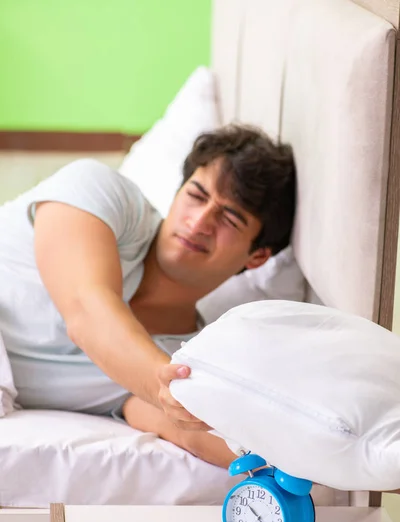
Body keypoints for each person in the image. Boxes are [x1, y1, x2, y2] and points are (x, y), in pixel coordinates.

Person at [0, 124, 296, 469]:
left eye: (230, 218)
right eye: (197, 196)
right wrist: (166, 387)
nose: (199, 222)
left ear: (256, 257)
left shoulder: (186, 356)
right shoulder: (99, 193)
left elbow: (179, 427)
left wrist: (293, 463)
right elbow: (87, 310)